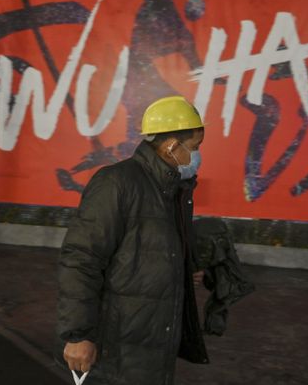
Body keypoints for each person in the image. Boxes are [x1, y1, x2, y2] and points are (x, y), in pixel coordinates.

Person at [56, 95, 209, 385]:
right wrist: (78, 335)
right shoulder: (116, 183)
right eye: (195, 147)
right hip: (121, 337)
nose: (198, 156)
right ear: (171, 146)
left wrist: (184, 269)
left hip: (153, 334)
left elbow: (150, 249)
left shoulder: (174, 189)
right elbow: (81, 259)